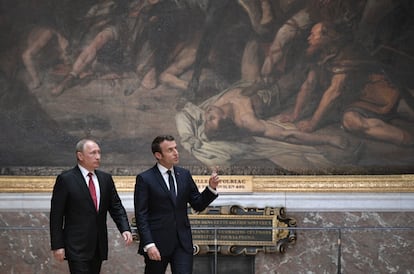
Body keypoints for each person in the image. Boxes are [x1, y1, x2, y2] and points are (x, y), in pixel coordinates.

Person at [280, 21, 414, 146]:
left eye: (313, 35)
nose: (309, 38)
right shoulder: (321, 55)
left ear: (327, 37)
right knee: (351, 122)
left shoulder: (347, 54)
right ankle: (408, 140)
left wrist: (312, 124)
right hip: (358, 103)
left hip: (381, 95)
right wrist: (295, 114)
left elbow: (334, 92)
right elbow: (308, 85)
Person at [134, 135, 220, 274]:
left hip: (182, 243)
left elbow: (198, 204)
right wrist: (149, 244)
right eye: (170, 150)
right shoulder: (145, 179)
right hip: (157, 243)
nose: (176, 152)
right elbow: (141, 215)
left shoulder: (184, 175)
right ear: (158, 155)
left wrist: (211, 188)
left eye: (175, 148)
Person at [50, 139, 133, 274]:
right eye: (93, 153)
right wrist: (57, 245)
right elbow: (56, 215)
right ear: (80, 156)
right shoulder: (66, 179)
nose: (98, 157)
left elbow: (116, 207)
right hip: (76, 245)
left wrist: (125, 228)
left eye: (99, 153)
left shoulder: (105, 179)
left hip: (98, 245)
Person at [203, 82, 348, 149]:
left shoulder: (217, 104)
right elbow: (286, 135)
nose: (207, 113)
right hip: (280, 89)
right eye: (211, 118)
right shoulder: (247, 121)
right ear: (225, 120)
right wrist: (328, 139)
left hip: (261, 79)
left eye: (206, 119)